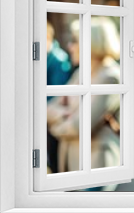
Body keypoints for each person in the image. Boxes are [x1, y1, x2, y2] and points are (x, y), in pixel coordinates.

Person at [47, 17, 121, 191]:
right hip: (72, 161)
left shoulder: (110, 77)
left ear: (92, 43)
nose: (71, 47)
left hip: (95, 165)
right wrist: (65, 116)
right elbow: (47, 109)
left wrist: (57, 123)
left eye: (75, 41)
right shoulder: (81, 73)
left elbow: (79, 126)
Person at [46, 20, 72, 174]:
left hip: (55, 120)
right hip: (50, 116)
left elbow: (58, 95)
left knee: (56, 162)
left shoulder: (59, 60)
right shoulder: (49, 57)